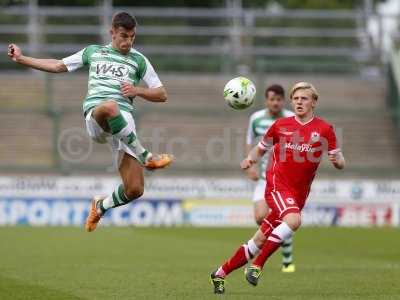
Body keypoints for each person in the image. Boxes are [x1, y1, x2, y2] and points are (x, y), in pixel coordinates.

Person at [7, 12, 173, 232]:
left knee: (135, 189)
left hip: (124, 126)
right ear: (112, 32)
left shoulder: (139, 60)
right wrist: (21, 58)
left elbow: (162, 94)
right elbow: (58, 65)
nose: (128, 41)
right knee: (111, 106)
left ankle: (100, 205)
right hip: (98, 116)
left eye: (132, 37)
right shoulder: (94, 52)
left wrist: (137, 90)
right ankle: (147, 157)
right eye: (123, 35)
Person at [210, 82, 345, 294]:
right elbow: (261, 148)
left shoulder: (325, 129)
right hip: (276, 185)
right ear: (292, 101)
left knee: (259, 239)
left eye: (304, 98)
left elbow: (339, 159)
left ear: (314, 102)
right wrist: (250, 159)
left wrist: (338, 161)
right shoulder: (281, 125)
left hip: (299, 193)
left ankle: (219, 273)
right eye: (296, 98)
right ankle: (256, 266)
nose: (299, 102)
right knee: (293, 220)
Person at [246, 84, 295, 273]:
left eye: (278, 99)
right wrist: (250, 166)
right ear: (266, 100)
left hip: (285, 179)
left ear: (283, 101)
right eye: (271, 99)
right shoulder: (256, 119)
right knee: (260, 217)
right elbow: (249, 142)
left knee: (285, 217)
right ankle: (285, 234)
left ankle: (287, 260)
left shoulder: (291, 118)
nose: (275, 103)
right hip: (265, 178)